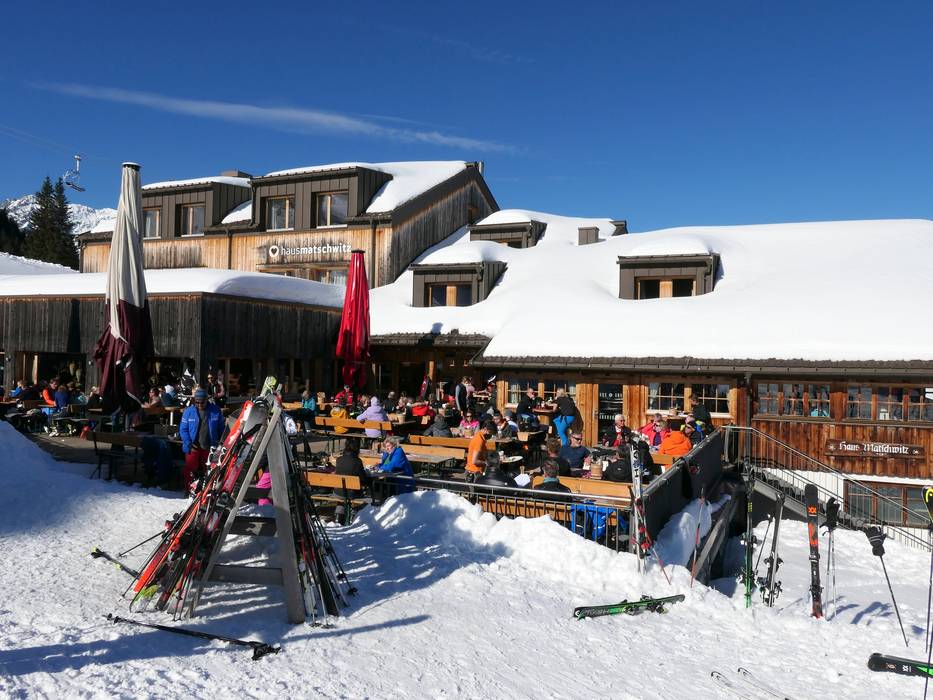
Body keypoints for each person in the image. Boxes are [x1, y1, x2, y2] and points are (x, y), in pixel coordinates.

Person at [179, 388, 225, 486]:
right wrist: (188, 442)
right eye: (197, 402)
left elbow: (221, 429)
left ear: (206, 400)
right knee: (190, 469)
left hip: (209, 446)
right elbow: (183, 429)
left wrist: (221, 443)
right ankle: (189, 488)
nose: (199, 404)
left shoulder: (215, 410)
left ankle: (205, 489)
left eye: (202, 402)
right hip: (193, 446)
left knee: (208, 469)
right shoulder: (188, 411)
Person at [334, 438, 369, 521]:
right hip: (352, 493)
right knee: (363, 494)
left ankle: (338, 516)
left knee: (342, 495)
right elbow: (363, 478)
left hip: (338, 492)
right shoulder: (357, 461)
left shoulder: (339, 459)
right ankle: (354, 513)